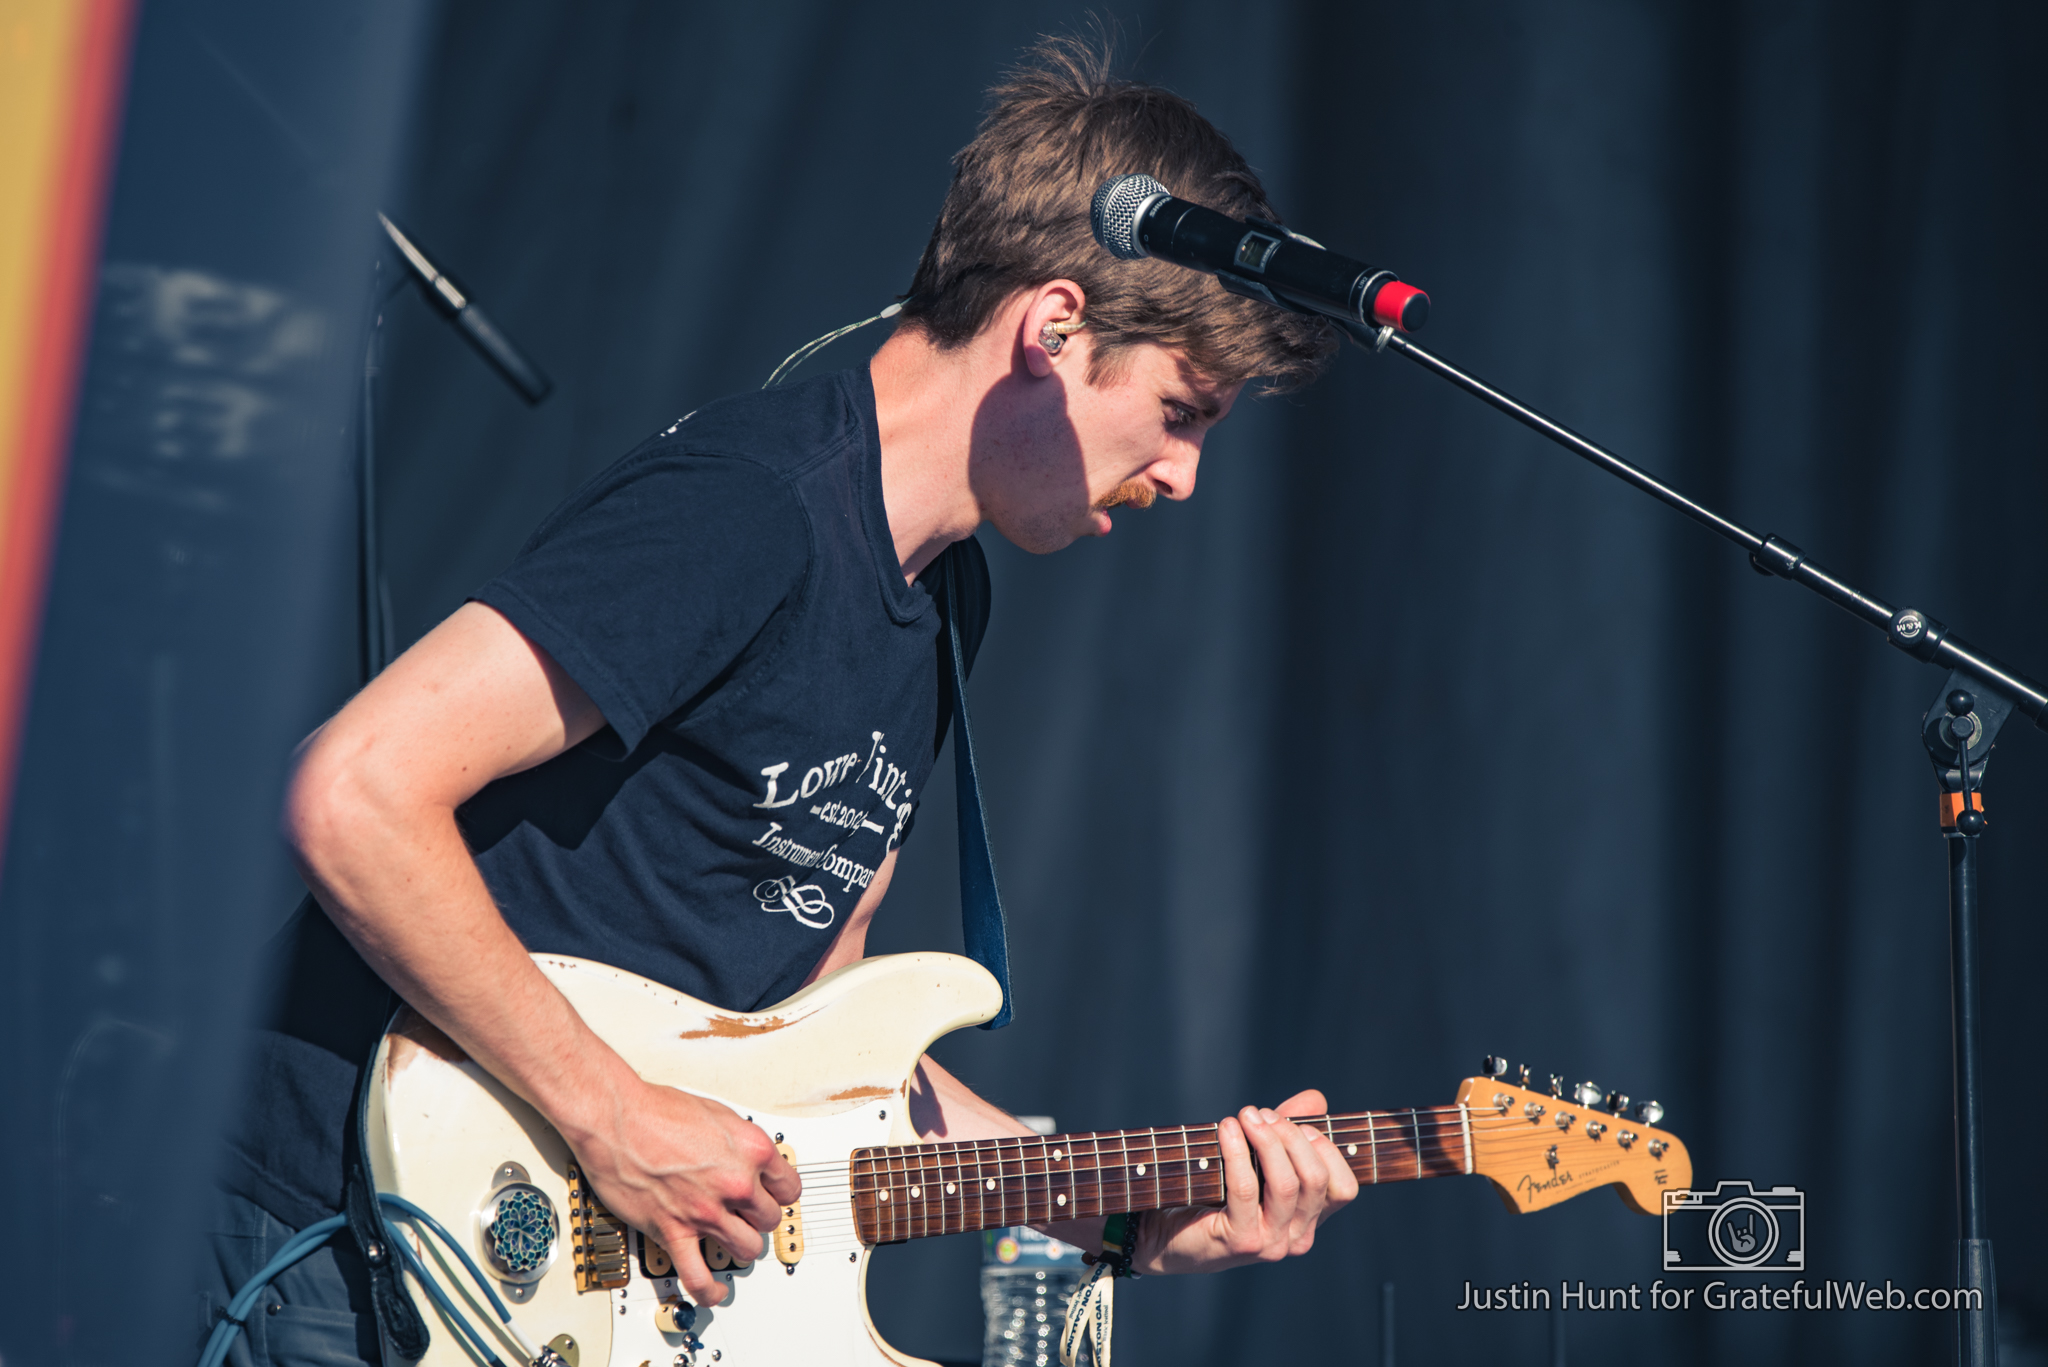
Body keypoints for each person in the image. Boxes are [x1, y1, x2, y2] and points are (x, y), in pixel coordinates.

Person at [206, 35, 1346, 1363]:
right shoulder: (755, 511)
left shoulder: (940, 601)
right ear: (1054, 329)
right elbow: (352, 790)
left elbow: (824, 1044)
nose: (1183, 476)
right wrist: (615, 1117)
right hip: (339, 1263)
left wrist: (1119, 1208)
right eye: (1182, 411)